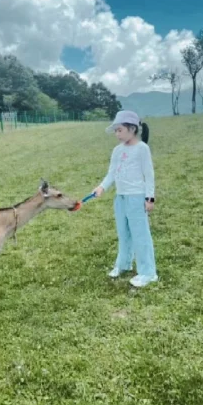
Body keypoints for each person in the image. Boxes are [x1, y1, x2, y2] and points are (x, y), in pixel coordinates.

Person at [89, 109, 157, 288]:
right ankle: (124, 264)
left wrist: (150, 198)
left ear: (132, 129)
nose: (117, 134)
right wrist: (102, 187)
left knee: (140, 235)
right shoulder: (117, 151)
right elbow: (112, 173)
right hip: (121, 198)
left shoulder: (142, 149)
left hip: (137, 197)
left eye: (119, 130)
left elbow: (149, 175)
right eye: (116, 131)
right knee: (123, 233)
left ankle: (148, 272)